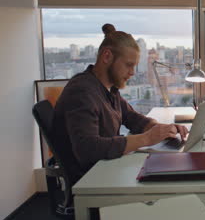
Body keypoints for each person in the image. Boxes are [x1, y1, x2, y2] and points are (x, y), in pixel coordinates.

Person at [52, 24, 188, 184]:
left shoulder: (108, 89)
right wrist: (146, 139)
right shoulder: (81, 92)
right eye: (129, 65)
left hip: (107, 167)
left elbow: (131, 117)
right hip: (91, 181)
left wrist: (161, 129)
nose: (132, 72)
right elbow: (87, 149)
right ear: (107, 56)